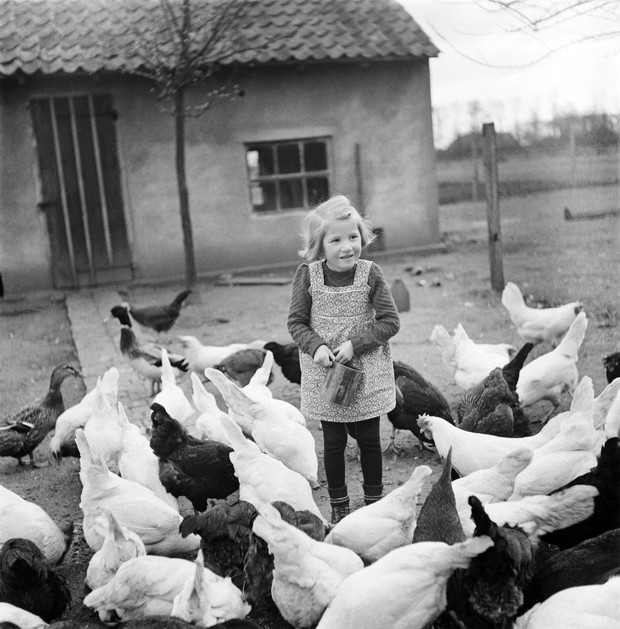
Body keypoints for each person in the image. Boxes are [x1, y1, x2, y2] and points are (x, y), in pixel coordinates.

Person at [287, 194, 400, 524]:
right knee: (334, 442)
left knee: (368, 438)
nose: (346, 246)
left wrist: (356, 343)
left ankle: (374, 503)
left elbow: (390, 321)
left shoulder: (371, 273)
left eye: (353, 237)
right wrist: (317, 346)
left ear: (361, 236)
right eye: (335, 240)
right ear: (320, 245)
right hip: (327, 374)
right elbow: (296, 322)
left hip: (365, 372)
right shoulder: (308, 275)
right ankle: (339, 505)